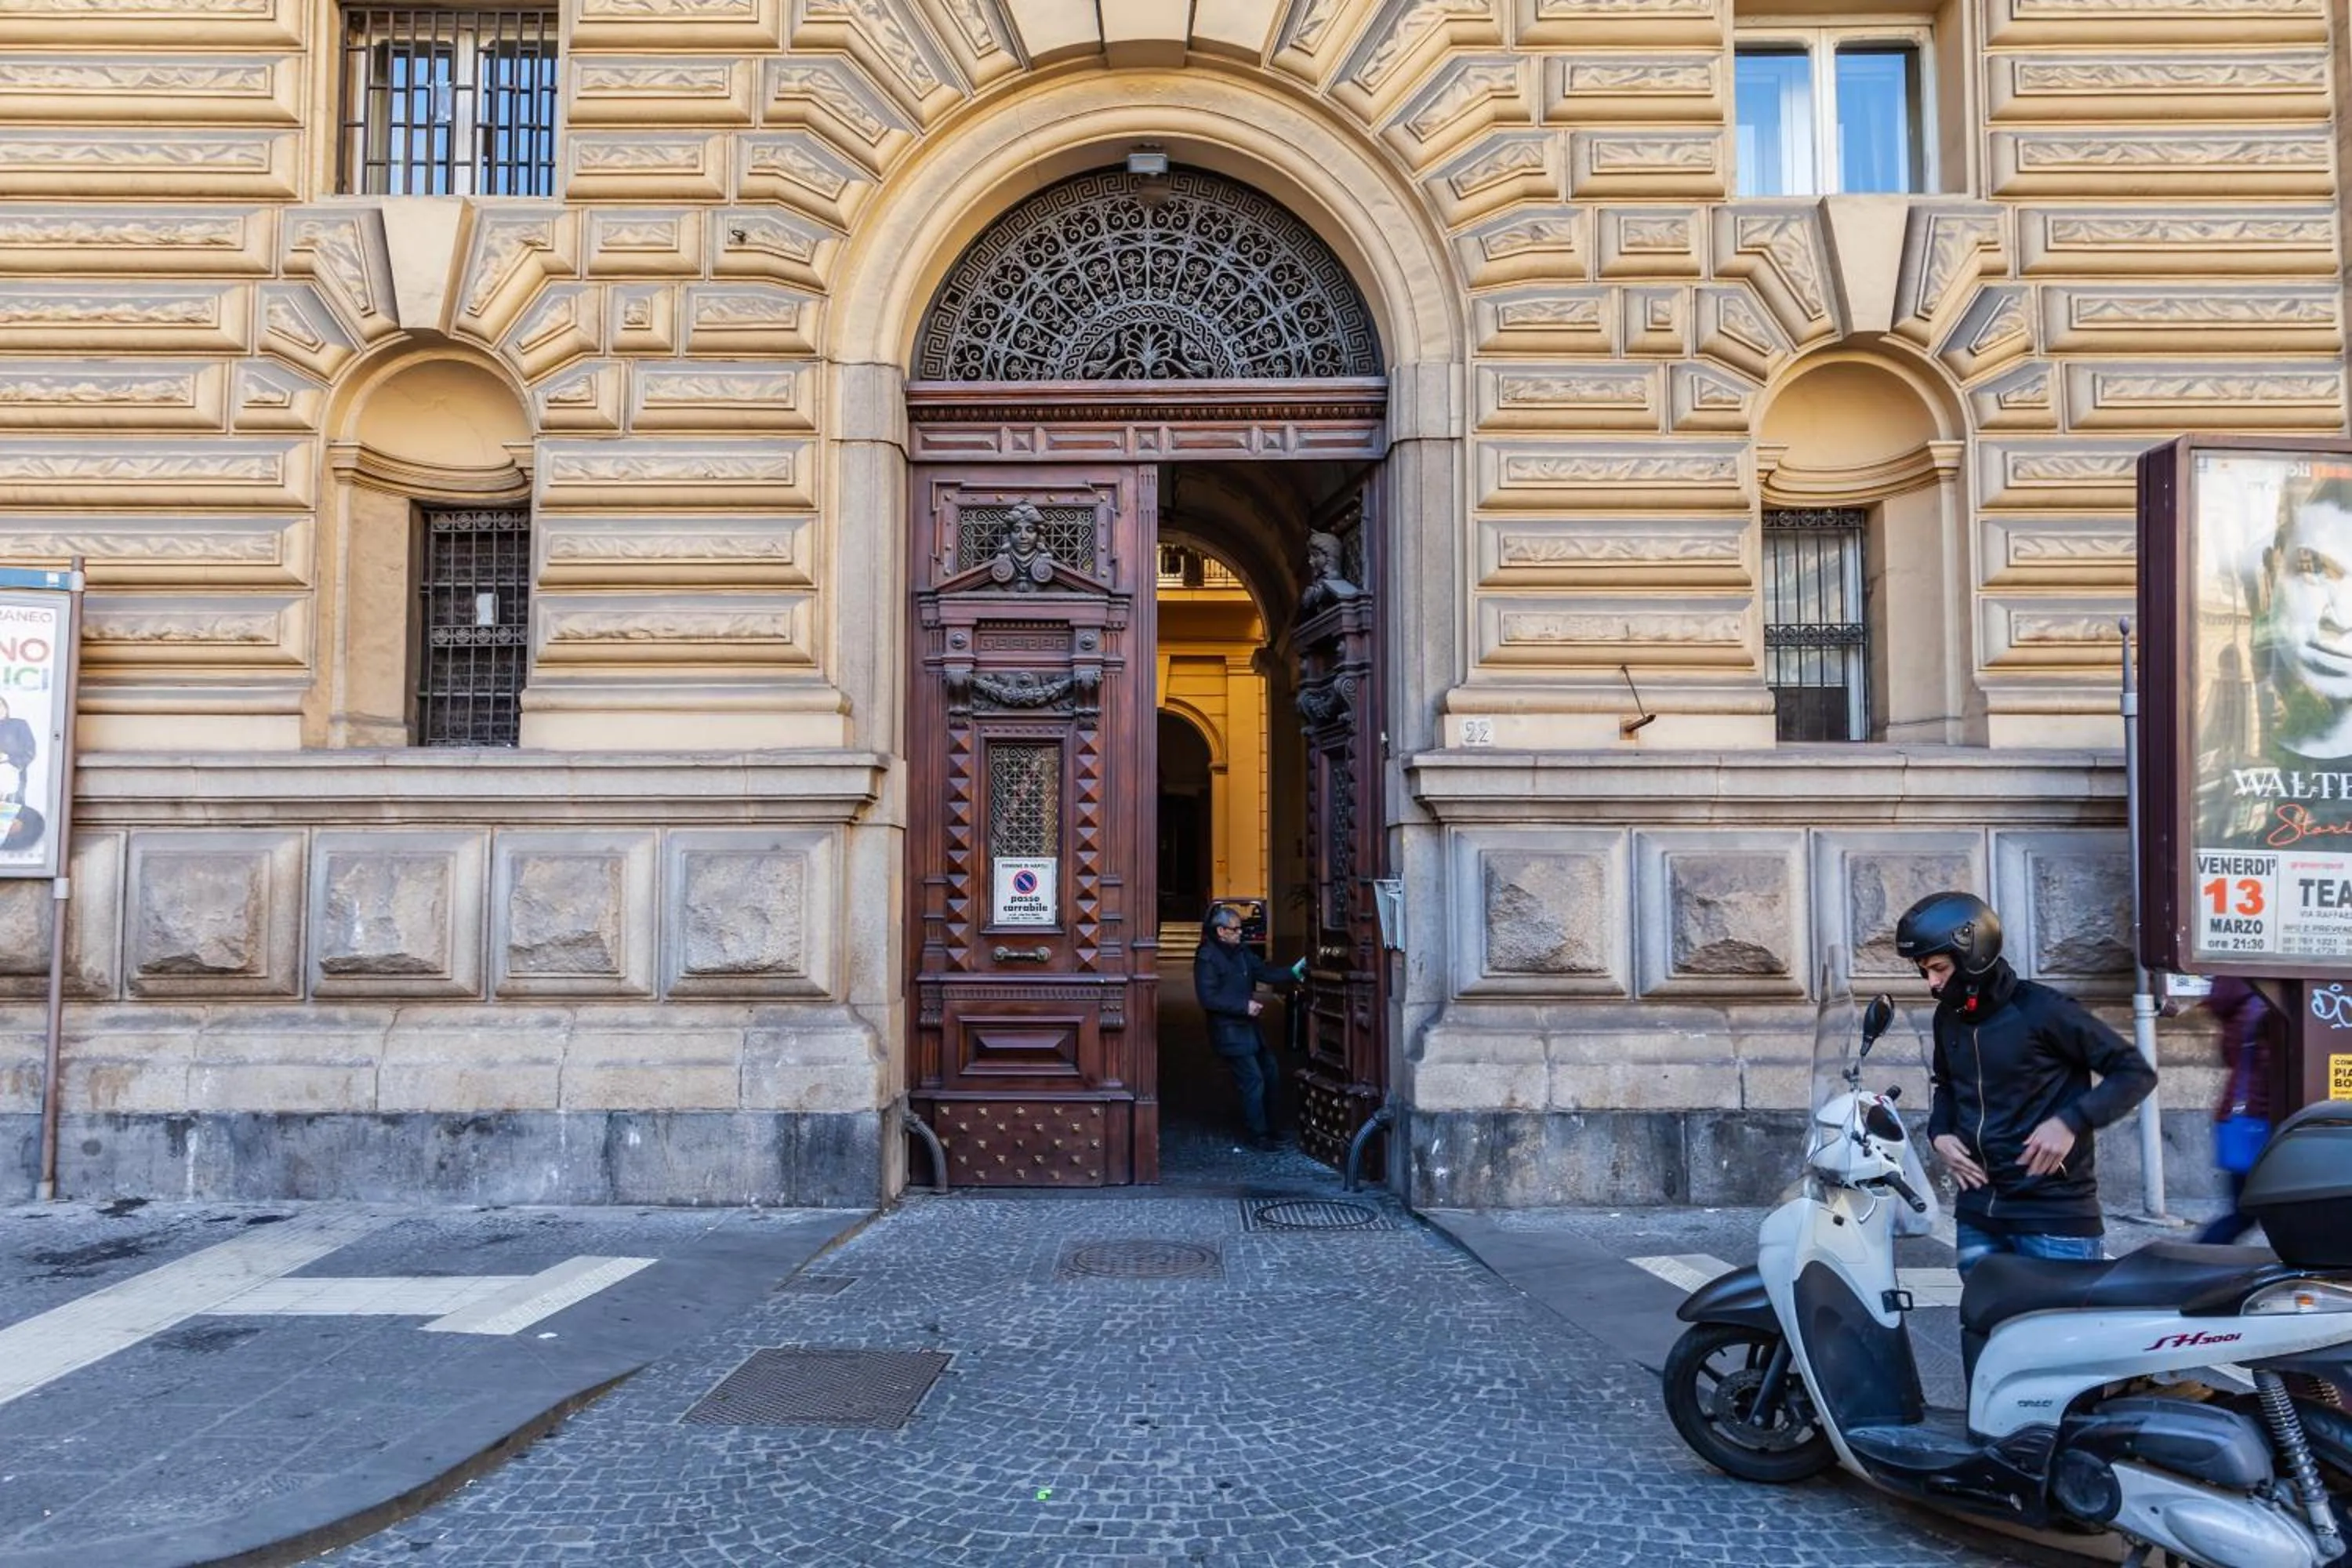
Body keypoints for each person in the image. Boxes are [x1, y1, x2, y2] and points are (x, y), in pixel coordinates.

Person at [1896, 891, 2158, 1275]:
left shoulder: (2043, 1010)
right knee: (1984, 1331)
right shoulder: (1948, 1018)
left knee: (2056, 1332)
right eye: (1925, 971)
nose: (1932, 983)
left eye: (1939, 968)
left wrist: (2070, 1122)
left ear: (1973, 954)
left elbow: (2134, 1072)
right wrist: (1940, 1134)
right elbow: (1947, 1084)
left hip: (2053, 1216)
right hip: (1978, 1212)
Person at [1192, 904, 1303, 1151]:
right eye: (1236, 929)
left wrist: (1294, 972)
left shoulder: (1240, 951)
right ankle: (1259, 1134)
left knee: (1271, 1074)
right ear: (1221, 931)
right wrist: (1243, 1006)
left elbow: (1263, 972)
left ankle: (1272, 1128)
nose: (1240, 933)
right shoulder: (1207, 957)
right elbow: (1208, 998)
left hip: (1250, 1029)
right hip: (1229, 1030)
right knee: (1253, 1080)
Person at [2195, 976, 2277, 1244]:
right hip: (2261, 1120)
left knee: (2245, 1211)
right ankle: (2200, 1258)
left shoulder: (2244, 1007)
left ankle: (2200, 1257)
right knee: (2247, 1212)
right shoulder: (2267, 1009)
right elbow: (2273, 1071)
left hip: (2241, 1115)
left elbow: (2230, 1056)